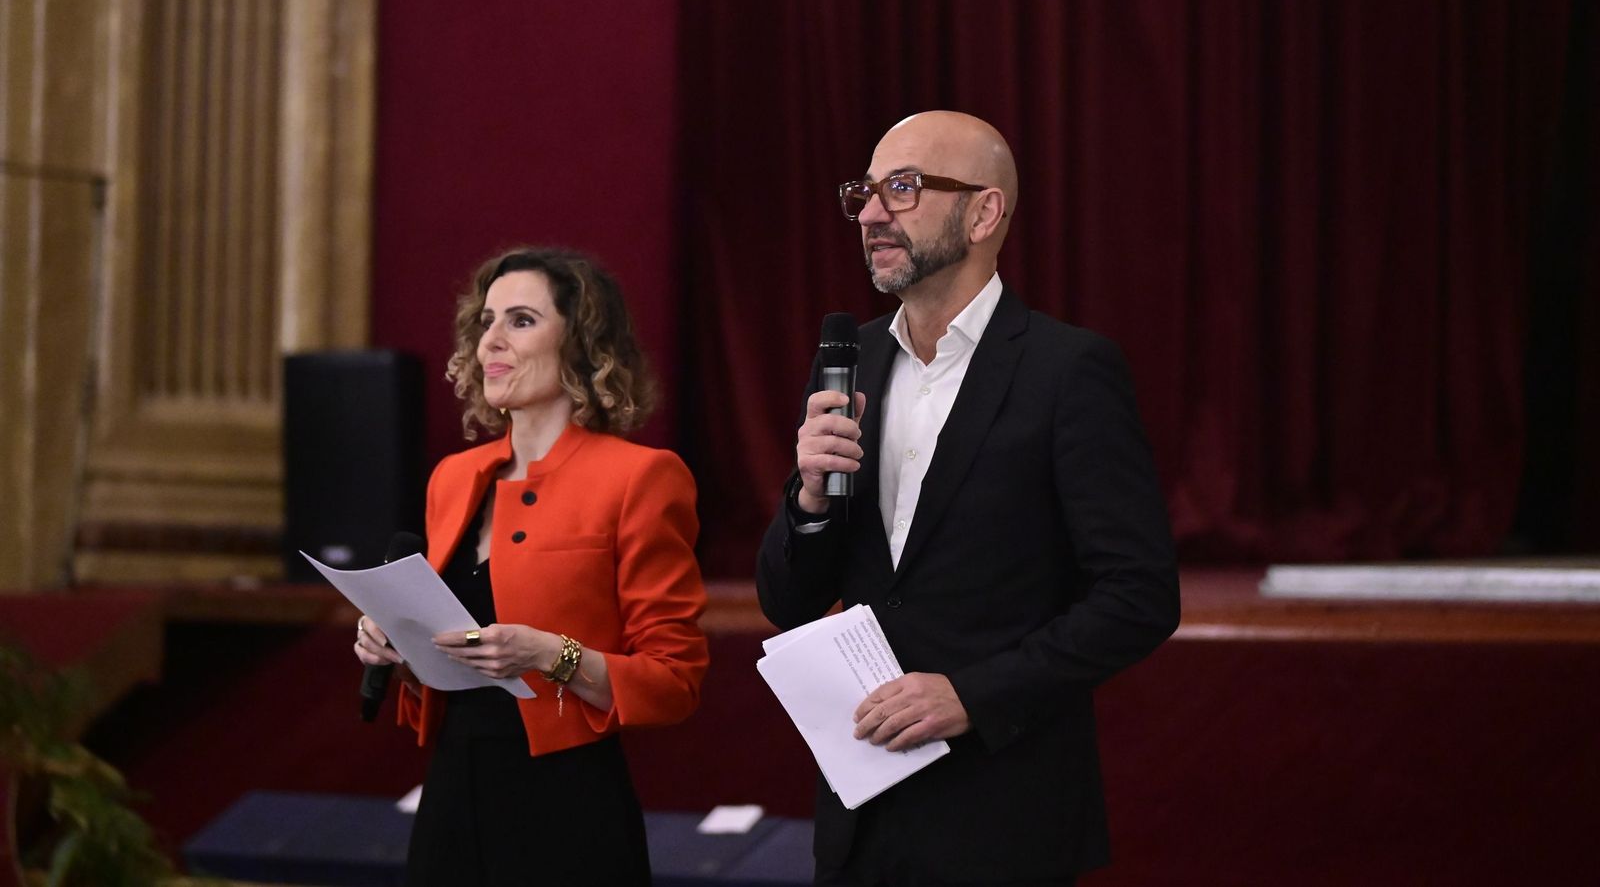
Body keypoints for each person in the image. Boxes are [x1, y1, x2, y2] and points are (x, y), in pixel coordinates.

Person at [757, 112, 1180, 886]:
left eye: (904, 188)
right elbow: (787, 601)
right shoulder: (851, 367)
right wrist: (810, 500)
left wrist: (972, 696)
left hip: (1002, 819)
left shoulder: (1066, 371)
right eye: (865, 192)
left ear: (984, 213)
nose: (873, 213)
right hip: (861, 825)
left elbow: (1140, 595)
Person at [355, 247, 708, 886]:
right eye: (486, 320)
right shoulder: (453, 478)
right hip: (451, 799)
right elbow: (453, 664)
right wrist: (400, 651)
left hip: (566, 808)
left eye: (520, 320)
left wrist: (551, 654)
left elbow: (674, 681)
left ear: (581, 342)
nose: (490, 339)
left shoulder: (640, 478)